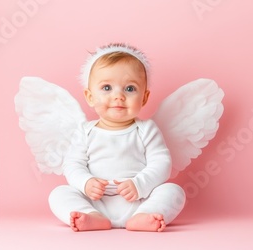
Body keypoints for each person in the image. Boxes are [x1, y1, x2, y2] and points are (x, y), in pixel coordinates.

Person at [48, 43, 186, 232]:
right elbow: (73, 164)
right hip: (96, 201)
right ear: (89, 96)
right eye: (106, 88)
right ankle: (91, 217)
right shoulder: (85, 131)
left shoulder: (146, 129)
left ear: (144, 98)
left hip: (139, 200)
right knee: (59, 194)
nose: (118, 96)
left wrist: (139, 184)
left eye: (129, 89)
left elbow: (161, 162)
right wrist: (86, 182)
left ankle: (144, 217)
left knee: (173, 191)